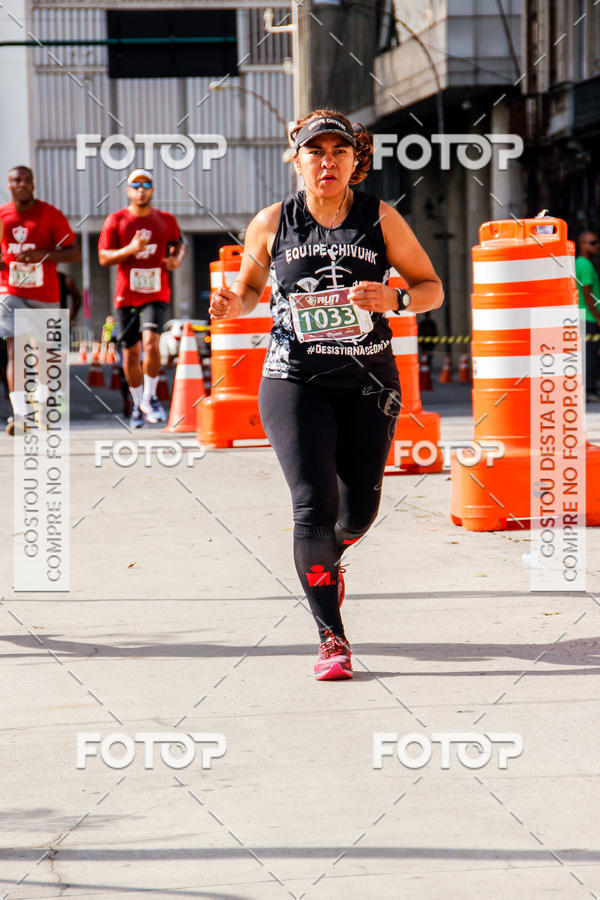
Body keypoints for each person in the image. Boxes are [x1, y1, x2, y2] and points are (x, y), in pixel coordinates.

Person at [209, 109, 443, 680]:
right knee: (312, 507)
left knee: (357, 513)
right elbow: (248, 291)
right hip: (294, 380)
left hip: (368, 382)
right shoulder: (273, 222)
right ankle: (331, 638)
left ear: (354, 161)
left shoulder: (379, 218)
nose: (328, 161)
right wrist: (230, 306)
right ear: (297, 160)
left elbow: (431, 287)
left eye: (339, 151)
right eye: (316, 151)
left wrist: (398, 302)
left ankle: (331, 557)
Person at [98, 169, 185, 427]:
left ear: (153, 190)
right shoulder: (116, 220)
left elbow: (179, 244)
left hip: (156, 292)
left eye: (146, 185)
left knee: (151, 344)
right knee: (131, 353)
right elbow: (103, 258)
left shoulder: (165, 219)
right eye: (135, 186)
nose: (141, 190)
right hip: (126, 296)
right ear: (127, 191)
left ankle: (151, 397)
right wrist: (130, 249)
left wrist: (176, 259)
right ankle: (137, 405)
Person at [0, 165, 80, 434]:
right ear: (9, 185)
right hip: (11, 291)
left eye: (26, 180)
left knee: (44, 354)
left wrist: (43, 254)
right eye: (16, 180)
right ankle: (21, 415)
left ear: (33, 184)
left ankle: (44, 408)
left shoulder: (50, 215)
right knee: (16, 350)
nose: (22, 184)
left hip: (45, 294)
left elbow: (74, 253)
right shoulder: (2, 216)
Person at [575, 231, 600, 402]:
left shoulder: (579, 263)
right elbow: (588, 295)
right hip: (588, 317)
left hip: (583, 315)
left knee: (586, 354)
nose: (596, 245)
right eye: (592, 242)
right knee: (590, 355)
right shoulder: (585, 265)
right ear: (582, 245)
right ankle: (589, 390)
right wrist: (598, 317)